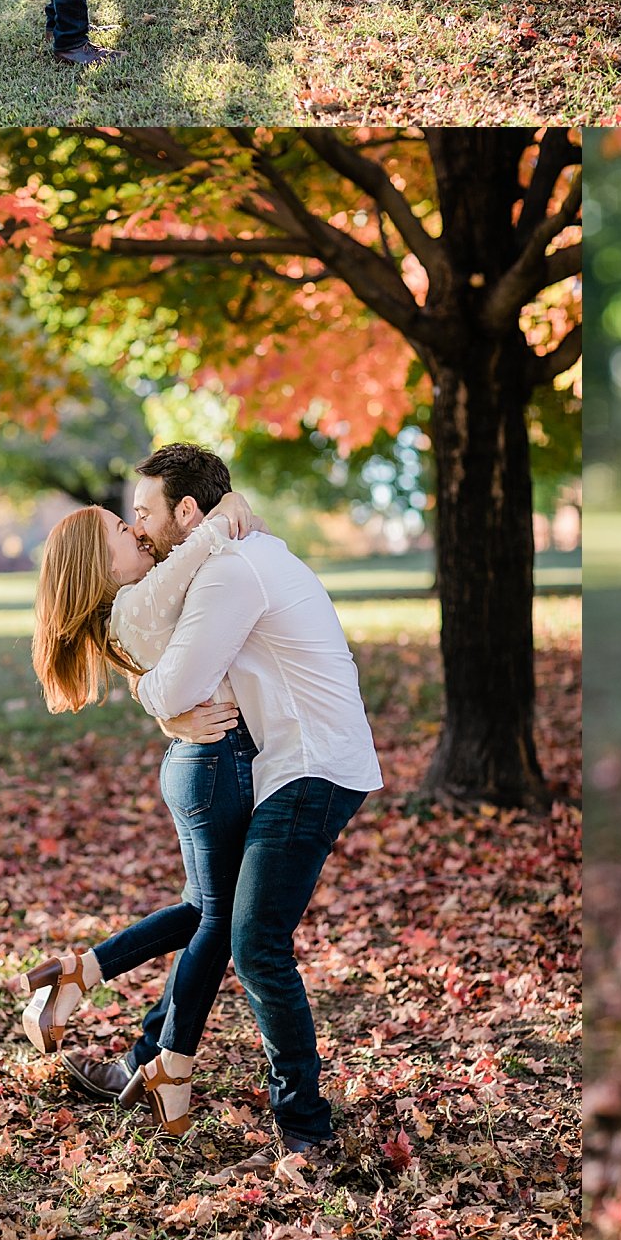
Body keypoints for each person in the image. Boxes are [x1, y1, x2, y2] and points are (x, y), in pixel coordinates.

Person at [117, 444, 384, 1167]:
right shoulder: (231, 556)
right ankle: (152, 1057)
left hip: (312, 766)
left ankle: (307, 1125)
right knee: (218, 917)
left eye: (144, 513)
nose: (136, 528)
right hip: (293, 762)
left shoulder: (231, 571)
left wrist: (151, 698)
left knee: (254, 942)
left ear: (187, 512)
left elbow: (173, 689)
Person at [25, 477, 267, 1136]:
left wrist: (165, 712)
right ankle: (167, 1062)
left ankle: (93, 988)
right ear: (100, 566)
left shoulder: (126, 605)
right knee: (218, 923)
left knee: (201, 912)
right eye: (118, 528)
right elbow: (199, 551)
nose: (135, 528)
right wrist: (225, 512)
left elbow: (158, 670)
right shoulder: (140, 598)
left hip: (199, 766)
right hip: (215, 765)